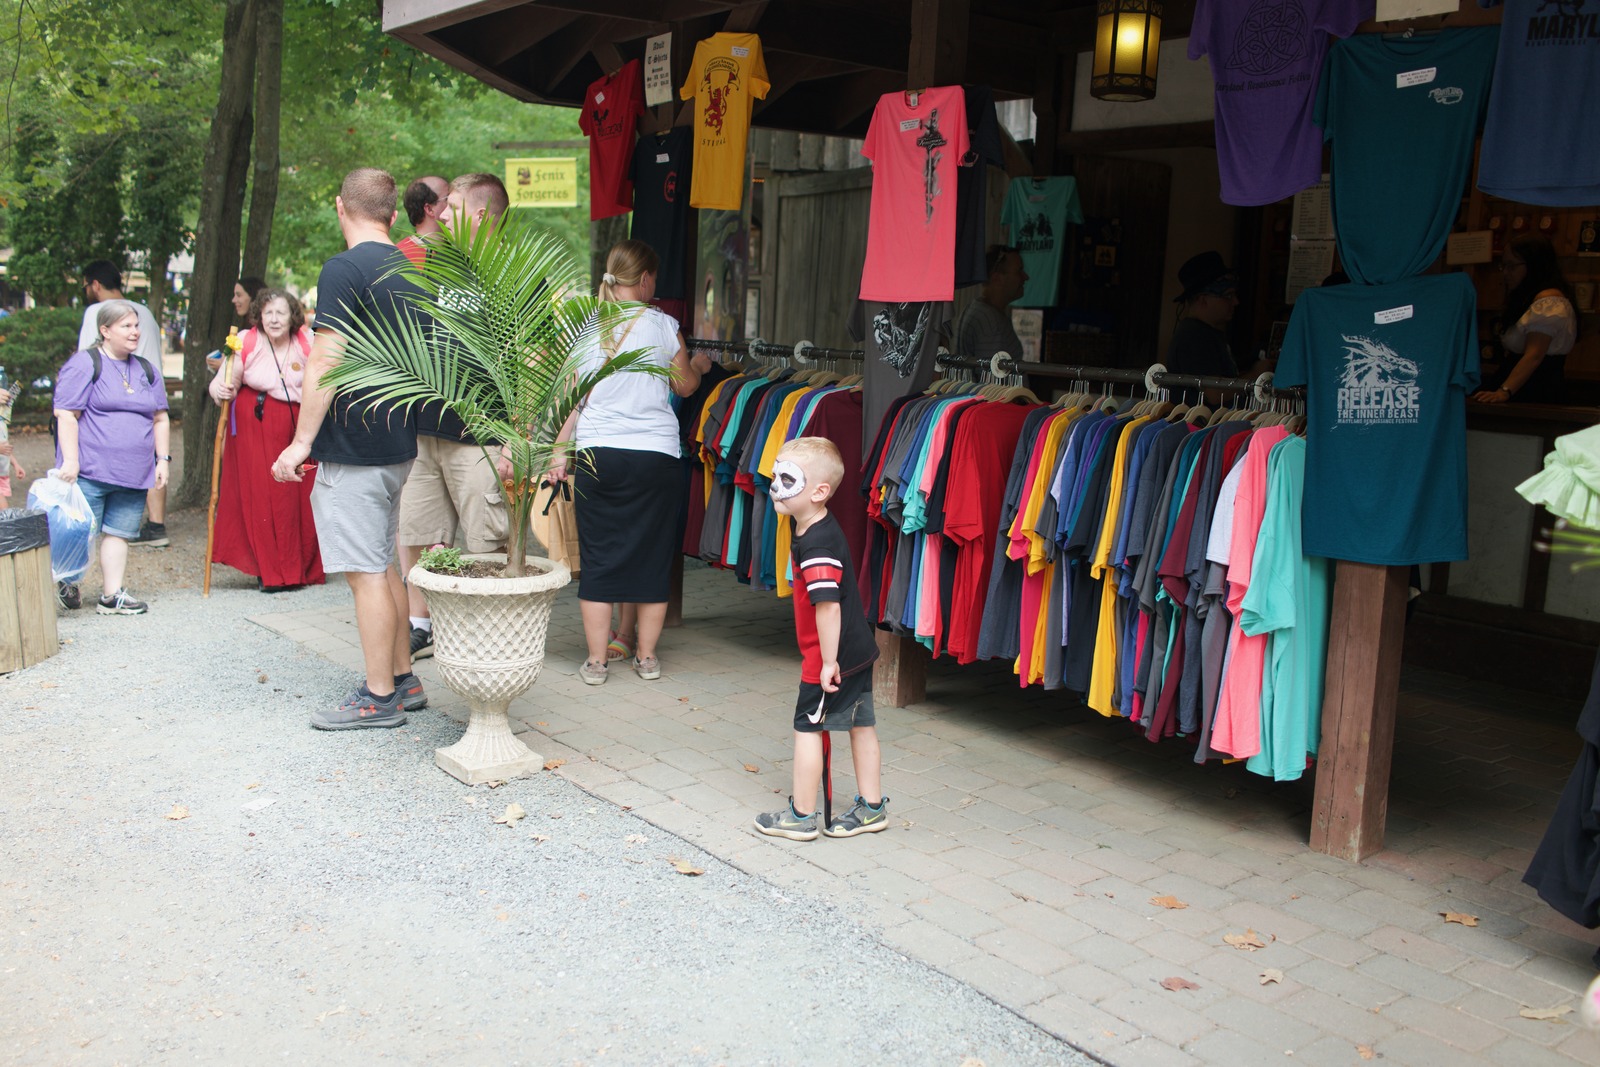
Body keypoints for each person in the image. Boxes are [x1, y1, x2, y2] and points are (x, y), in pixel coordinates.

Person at [271, 167, 425, 731]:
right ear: (390, 213)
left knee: (364, 571)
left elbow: (326, 359)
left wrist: (300, 442)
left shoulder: (344, 268)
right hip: (396, 441)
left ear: (342, 206)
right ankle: (404, 679)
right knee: (382, 563)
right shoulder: (409, 270)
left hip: (355, 446)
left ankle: (378, 696)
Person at [547, 239, 710, 685]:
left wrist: (560, 447)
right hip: (655, 456)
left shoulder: (588, 328)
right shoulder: (662, 325)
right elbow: (685, 387)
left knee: (599, 559)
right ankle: (647, 658)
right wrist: (696, 364)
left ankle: (597, 662)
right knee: (653, 557)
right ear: (644, 279)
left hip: (600, 455)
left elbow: (574, 396)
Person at [397, 173, 514, 661]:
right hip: (422, 430)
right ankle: (421, 625)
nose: (441, 215)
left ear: (482, 215)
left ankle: (489, 636)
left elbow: (529, 361)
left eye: (453, 208)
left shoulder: (511, 271)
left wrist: (515, 443)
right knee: (419, 535)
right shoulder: (434, 263)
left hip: (481, 438)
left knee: (486, 545)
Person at [754, 437, 889, 840]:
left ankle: (800, 816)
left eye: (787, 477)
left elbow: (827, 606)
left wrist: (827, 663)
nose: (775, 484)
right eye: (776, 473)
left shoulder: (816, 543)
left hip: (831, 658)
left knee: (807, 728)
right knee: (861, 724)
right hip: (856, 649)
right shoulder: (816, 527)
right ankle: (872, 808)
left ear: (818, 491)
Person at [52, 300, 171, 615]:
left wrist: (163, 460)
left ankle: (111, 595)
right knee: (81, 531)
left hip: (133, 473)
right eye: (126, 326)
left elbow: (160, 418)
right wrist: (70, 461)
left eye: (136, 326)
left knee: (119, 533)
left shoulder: (146, 369)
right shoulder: (85, 363)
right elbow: (66, 414)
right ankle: (67, 581)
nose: (134, 332)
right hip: (90, 470)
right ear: (105, 330)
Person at [207, 287, 324, 592]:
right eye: (268, 313)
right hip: (255, 424)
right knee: (262, 493)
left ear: (292, 316)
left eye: (280, 313)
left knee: (298, 494)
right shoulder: (246, 340)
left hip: (297, 426)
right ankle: (270, 571)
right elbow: (222, 383)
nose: (273, 319)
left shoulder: (306, 341)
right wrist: (220, 391)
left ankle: (300, 567)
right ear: (259, 315)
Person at [77, 260, 169, 548]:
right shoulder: (145, 313)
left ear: (95, 285)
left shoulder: (96, 312)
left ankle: (102, 521)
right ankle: (156, 525)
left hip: (113, 392)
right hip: (150, 392)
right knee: (152, 457)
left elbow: (86, 355)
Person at [1474, 233, 1577, 405]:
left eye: (1512, 266)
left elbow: (1534, 355)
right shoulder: (1530, 299)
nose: (1506, 273)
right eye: (1503, 266)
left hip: (1534, 390)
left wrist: (1504, 391)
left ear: (1534, 265)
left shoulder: (1550, 302)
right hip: (1520, 386)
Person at [1164, 250, 1240, 378]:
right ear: (1203, 299)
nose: (1235, 302)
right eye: (1228, 295)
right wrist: (1255, 376)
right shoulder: (1194, 337)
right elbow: (1214, 394)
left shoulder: (1207, 334)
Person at [954, 245, 1028, 364]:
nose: (1025, 277)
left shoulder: (984, 312)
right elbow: (991, 376)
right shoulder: (988, 321)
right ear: (997, 278)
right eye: (1019, 271)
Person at [397, 176, 450, 265]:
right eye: (447, 199)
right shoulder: (400, 258)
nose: (455, 204)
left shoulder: (462, 253)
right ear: (429, 209)